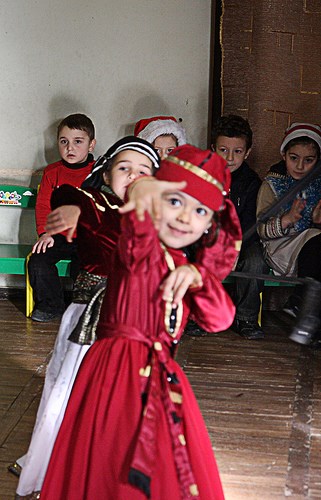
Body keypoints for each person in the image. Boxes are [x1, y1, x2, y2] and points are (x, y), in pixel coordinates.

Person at [40, 145, 242, 499]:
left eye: (199, 211)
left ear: (211, 223)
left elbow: (219, 319)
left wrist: (199, 277)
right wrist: (142, 196)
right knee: (111, 466)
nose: (184, 218)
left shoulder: (184, 269)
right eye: (175, 202)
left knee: (158, 470)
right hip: (114, 376)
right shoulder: (137, 243)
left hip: (161, 382)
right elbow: (133, 239)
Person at [13, 137, 160, 498]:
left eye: (144, 171)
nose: (134, 176)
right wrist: (75, 211)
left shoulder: (159, 218)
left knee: (124, 396)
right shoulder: (98, 203)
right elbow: (68, 195)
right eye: (124, 168)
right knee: (69, 387)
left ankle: (111, 463)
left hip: (134, 321)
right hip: (88, 321)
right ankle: (53, 458)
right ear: (107, 174)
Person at [257, 122, 321, 345]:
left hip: (312, 250)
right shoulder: (272, 185)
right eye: (294, 158)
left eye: (309, 160)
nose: (300, 166)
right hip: (280, 248)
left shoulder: (319, 185)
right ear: (284, 155)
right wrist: (287, 219)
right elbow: (261, 230)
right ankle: (302, 304)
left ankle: (306, 312)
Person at [28, 113, 96, 323]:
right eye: (64, 141)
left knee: (85, 268)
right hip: (58, 235)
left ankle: (86, 309)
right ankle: (51, 306)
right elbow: (43, 205)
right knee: (38, 261)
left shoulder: (99, 172)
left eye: (78, 142)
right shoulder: (52, 173)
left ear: (91, 145)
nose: (70, 148)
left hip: (88, 237)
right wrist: (45, 232)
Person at [212, 114, 269, 340]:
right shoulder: (205, 176)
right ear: (213, 148)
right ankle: (196, 315)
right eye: (223, 150)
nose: (229, 158)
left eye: (237, 152)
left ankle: (245, 317)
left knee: (255, 261)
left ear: (247, 153)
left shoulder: (251, 182)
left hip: (241, 240)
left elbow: (250, 222)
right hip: (211, 238)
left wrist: (235, 247)